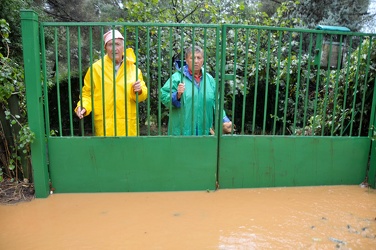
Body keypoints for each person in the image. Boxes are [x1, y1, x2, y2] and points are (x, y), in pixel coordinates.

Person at [75, 29, 148, 136]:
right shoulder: (95, 69)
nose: (114, 48)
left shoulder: (134, 70)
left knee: (127, 153)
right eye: (110, 45)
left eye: (117, 44)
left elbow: (142, 96)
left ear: (123, 47)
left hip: (127, 127)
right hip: (105, 127)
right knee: (106, 153)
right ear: (105, 48)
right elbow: (87, 94)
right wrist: (83, 106)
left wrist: (140, 91)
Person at [160, 46, 233, 136]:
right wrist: (177, 95)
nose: (196, 61)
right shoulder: (177, 78)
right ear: (186, 60)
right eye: (192, 58)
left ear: (203, 60)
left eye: (199, 58)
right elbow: (163, 96)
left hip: (204, 130)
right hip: (182, 132)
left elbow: (215, 102)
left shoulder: (209, 80)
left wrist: (224, 119)